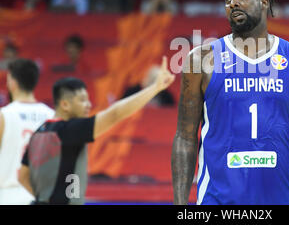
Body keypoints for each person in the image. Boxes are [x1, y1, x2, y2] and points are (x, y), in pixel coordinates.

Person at [171, 0, 289, 205]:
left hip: (280, 198)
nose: (233, 3)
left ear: (264, 2)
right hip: (218, 200)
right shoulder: (201, 60)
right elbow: (185, 137)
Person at [18, 57, 174, 205]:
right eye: (82, 100)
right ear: (65, 104)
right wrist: (155, 88)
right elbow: (114, 114)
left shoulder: (39, 131)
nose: (88, 104)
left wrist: (45, 198)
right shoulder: (70, 130)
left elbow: (22, 176)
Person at [0, 59, 54, 205]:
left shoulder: (4, 115)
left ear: (12, 82)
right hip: (44, 196)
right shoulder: (53, 116)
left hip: (9, 195)